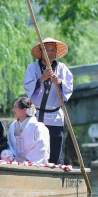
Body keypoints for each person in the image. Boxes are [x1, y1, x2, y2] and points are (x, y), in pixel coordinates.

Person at [23, 37, 73, 165]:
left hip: (55, 116)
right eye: (47, 50)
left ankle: (55, 174)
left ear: (56, 53)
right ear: (41, 52)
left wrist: (60, 82)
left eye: (52, 50)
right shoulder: (32, 68)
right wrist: (42, 78)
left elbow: (69, 86)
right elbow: (28, 87)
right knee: (37, 150)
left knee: (55, 151)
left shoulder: (62, 68)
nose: (50, 53)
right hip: (37, 115)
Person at [0, 97, 50, 164]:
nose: (12, 110)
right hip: (16, 163)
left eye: (15, 107)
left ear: (24, 110)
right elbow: (11, 146)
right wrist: (10, 156)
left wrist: (26, 159)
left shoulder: (38, 126)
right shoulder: (13, 126)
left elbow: (42, 146)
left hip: (34, 164)